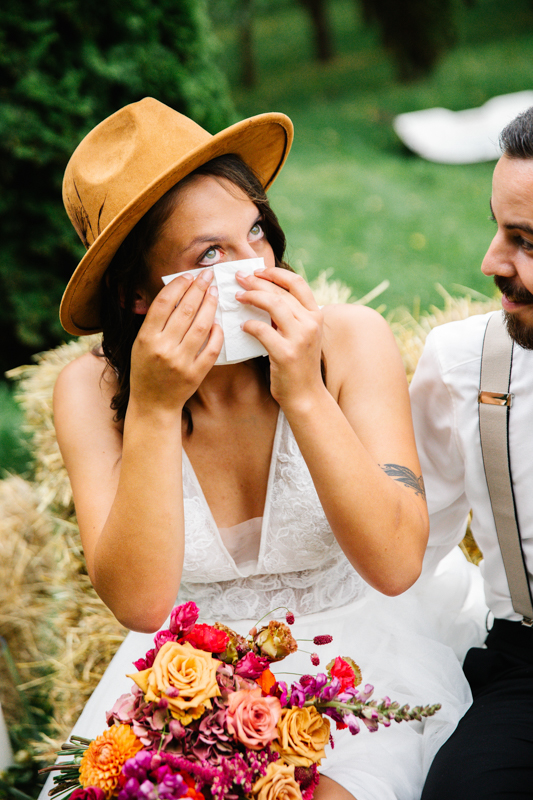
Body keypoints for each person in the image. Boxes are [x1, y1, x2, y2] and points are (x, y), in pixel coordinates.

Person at [39, 97, 477, 800]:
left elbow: (395, 564)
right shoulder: (91, 393)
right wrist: (153, 409)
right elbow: (142, 605)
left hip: (362, 661)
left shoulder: (346, 341)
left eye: (256, 234)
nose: (257, 270)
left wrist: (303, 393)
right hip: (190, 677)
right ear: (139, 296)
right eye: (211, 254)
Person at [411, 105, 533, 800]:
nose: (491, 262)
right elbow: (402, 551)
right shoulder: (463, 367)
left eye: (525, 241)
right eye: (496, 227)